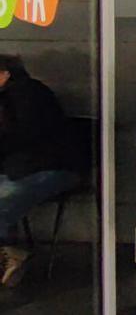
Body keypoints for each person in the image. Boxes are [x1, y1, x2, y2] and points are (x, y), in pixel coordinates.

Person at [0, 54, 79, 286]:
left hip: (48, 166)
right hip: (26, 165)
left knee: (4, 198)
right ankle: (9, 251)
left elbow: (22, 137)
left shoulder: (27, 97)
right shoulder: (16, 95)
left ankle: (8, 252)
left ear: (5, 74)